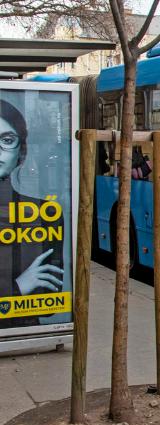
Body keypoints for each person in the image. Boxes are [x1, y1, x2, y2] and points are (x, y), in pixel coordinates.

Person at [0, 100, 64, 329]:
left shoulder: (47, 214)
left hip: (26, 324)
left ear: (21, 153)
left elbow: (49, 301)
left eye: (7, 141)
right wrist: (17, 287)